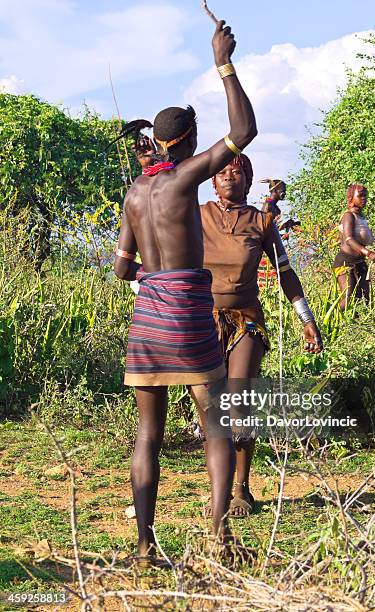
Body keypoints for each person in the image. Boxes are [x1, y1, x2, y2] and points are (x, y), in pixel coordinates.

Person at [114, 19, 257, 562]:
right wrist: (223, 62)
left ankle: (145, 545)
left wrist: (154, 277)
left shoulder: (136, 191)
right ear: (192, 141)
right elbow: (244, 130)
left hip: (148, 320)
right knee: (216, 425)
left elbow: (122, 269)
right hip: (189, 316)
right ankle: (220, 536)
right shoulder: (184, 178)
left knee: (148, 435)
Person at [190, 154, 323, 517]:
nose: (230, 177)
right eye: (222, 173)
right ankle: (218, 492)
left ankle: (241, 489)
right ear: (212, 182)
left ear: (249, 182)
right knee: (210, 409)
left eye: (238, 172)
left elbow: (286, 274)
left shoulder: (262, 222)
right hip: (202, 322)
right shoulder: (197, 216)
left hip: (246, 319)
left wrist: (306, 318)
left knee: (238, 402)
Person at [333, 184, 375, 310]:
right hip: (345, 263)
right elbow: (349, 239)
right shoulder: (348, 216)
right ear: (350, 198)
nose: (364, 199)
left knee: (364, 299)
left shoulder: (361, 218)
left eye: (365, 196)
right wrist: (368, 253)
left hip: (360, 263)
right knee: (348, 298)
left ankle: (360, 326)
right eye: (360, 196)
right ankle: (334, 321)